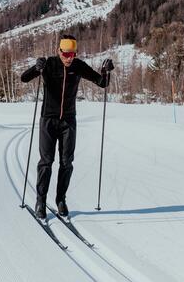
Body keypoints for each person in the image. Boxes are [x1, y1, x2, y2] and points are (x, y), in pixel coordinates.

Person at [21, 35, 114, 219]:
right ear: (59, 51)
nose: (69, 57)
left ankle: (61, 199)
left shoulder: (78, 66)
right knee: (46, 162)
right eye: (65, 53)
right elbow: (24, 78)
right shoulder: (49, 64)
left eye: (72, 54)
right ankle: (41, 200)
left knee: (67, 162)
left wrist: (106, 71)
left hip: (68, 121)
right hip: (48, 119)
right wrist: (36, 67)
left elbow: (102, 83)